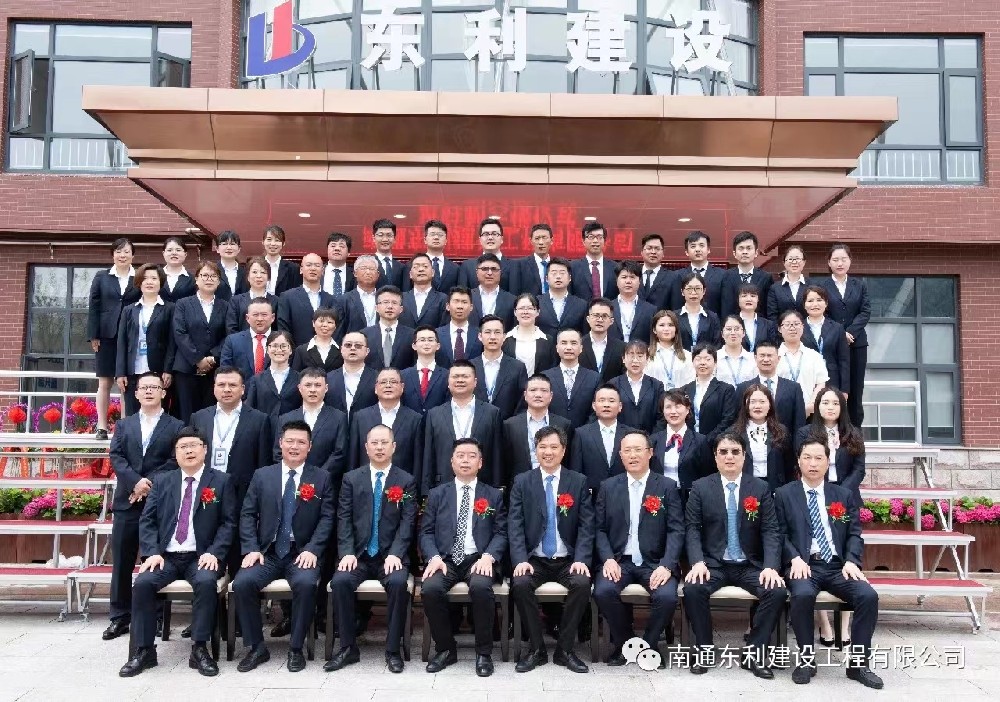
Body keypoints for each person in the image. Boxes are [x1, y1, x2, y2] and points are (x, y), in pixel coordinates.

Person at [118, 428, 236, 678]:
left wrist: (215, 553)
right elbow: (147, 521)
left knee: (205, 582)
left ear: (205, 449)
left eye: (194, 445)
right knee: (144, 583)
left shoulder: (221, 481)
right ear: (175, 452)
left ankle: (199, 648)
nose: (189, 451)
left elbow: (229, 523)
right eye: (183, 447)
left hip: (201, 556)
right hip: (167, 557)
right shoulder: (163, 481)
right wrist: (151, 552)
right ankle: (144, 650)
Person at [776, 437, 882, 690]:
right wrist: (794, 557)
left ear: (827, 462)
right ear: (799, 461)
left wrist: (852, 561)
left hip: (837, 566)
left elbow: (854, 533)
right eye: (807, 458)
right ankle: (806, 661)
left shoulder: (842, 495)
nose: (813, 464)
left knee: (868, 596)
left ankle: (858, 665)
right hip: (804, 564)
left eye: (818, 458)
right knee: (802, 595)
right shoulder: (784, 494)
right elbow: (778, 533)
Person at [232, 420, 335, 673]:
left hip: (301, 553)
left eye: (301, 442)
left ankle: (296, 648)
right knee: (243, 583)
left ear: (310, 446)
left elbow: (327, 518)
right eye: (290, 441)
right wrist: (251, 548)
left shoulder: (321, 478)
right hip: (267, 553)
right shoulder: (262, 475)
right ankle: (257, 647)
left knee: (307, 584)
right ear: (280, 443)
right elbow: (247, 514)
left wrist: (313, 549)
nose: (294, 446)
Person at [682, 431, 786, 679]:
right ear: (715, 457)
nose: (729, 456)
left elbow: (771, 530)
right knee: (693, 588)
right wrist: (697, 561)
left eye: (735, 452)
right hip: (714, 564)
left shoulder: (759, 488)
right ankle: (705, 649)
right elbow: (692, 529)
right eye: (723, 452)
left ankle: (754, 652)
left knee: (776, 590)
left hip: (749, 564)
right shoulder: (700, 487)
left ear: (744, 456)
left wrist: (771, 566)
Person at [327, 424, 418, 674]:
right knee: (340, 581)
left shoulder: (406, 480)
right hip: (358, 555)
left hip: (390, 556)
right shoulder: (351, 479)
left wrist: (396, 553)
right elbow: (343, 518)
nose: (379, 447)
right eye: (374, 443)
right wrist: (346, 552)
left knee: (398, 583)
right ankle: (348, 647)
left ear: (393, 447)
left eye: (384, 443)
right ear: (366, 447)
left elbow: (408, 522)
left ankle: (393, 650)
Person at [104, 373, 184, 641]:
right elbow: (117, 456)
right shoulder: (123, 425)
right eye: (144, 388)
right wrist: (135, 482)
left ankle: (157, 617)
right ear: (136, 394)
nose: (149, 391)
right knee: (122, 562)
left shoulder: (176, 426)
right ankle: (119, 617)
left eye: (154, 387)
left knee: (156, 560)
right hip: (127, 501)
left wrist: (148, 484)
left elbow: (175, 460)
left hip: (159, 502)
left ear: (163, 393)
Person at [509, 426, 594, 674]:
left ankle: (564, 650)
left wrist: (581, 558)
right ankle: (536, 649)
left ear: (563, 450)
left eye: (554, 447)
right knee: (520, 583)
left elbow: (586, 525)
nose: (548, 452)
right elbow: (515, 524)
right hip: (534, 559)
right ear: (535, 450)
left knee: (582, 583)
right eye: (543, 447)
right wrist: (520, 559)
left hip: (568, 559)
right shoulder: (522, 481)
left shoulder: (577, 481)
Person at [419, 438, 507, 677]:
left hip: (478, 558)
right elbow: (426, 532)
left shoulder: (493, 495)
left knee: (480, 587)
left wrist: (489, 556)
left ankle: (484, 653)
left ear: (481, 462)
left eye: (471, 456)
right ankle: (446, 649)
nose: (465, 460)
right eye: (460, 455)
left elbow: (502, 532)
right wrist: (433, 557)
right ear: (452, 461)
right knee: (430, 589)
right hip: (445, 559)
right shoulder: (437, 494)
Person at [593, 430, 682, 665]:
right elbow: (599, 529)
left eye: (638, 450)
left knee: (667, 597)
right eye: (627, 451)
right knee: (603, 591)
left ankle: (649, 646)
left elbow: (676, 530)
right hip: (619, 560)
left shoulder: (667, 486)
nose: (632, 455)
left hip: (655, 562)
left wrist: (667, 565)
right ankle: (626, 644)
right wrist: (607, 558)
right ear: (620, 455)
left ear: (650, 453)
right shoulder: (608, 487)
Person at [795, 387, 866, 648]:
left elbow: (859, 468)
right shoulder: (805, 433)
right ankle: (824, 623)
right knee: (814, 554)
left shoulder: (853, 433)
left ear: (841, 407)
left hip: (843, 496)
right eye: (825, 402)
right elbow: (801, 465)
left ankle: (844, 627)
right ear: (817, 406)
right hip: (812, 492)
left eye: (835, 403)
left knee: (844, 554)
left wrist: (839, 493)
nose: (830, 407)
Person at [189, 367, 273, 573]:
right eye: (221, 385)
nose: (227, 389)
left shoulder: (259, 420)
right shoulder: (199, 417)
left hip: (243, 495)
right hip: (206, 493)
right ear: (214, 388)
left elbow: (263, 464)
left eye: (232, 385)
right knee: (207, 562)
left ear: (243, 389)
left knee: (239, 560)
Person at [421, 361, 503, 495]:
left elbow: (497, 454)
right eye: (455, 376)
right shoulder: (434, 414)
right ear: (448, 382)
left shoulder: (492, 413)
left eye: (465, 376)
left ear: (475, 382)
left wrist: (497, 489)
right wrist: (426, 492)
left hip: (482, 486)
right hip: (442, 486)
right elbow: (428, 455)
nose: (460, 380)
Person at [89, 237, 138, 437]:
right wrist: (93, 335)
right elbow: (94, 306)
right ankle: (101, 426)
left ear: (133, 255)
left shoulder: (139, 276)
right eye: (118, 251)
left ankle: (123, 427)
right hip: (106, 335)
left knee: (126, 383)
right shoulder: (102, 277)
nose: (122, 255)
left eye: (126, 251)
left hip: (131, 336)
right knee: (105, 382)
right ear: (112, 255)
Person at [817, 243, 871, 427]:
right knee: (832, 388)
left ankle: (854, 433)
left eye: (843, 259)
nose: (840, 263)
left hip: (856, 344)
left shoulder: (860, 285)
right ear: (829, 262)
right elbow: (821, 312)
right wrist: (839, 334)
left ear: (850, 261)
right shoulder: (822, 286)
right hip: (831, 344)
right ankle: (831, 429)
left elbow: (865, 311)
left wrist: (850, 332)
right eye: (835, 260)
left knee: (855, 390)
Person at [172, 261, 228, 422]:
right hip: (186, 368)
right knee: (186, 415)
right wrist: (197, 359)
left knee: (210, 416)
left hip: (214, 369)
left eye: (213, 276)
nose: (209, 279)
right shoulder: (183, 304)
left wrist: (212, 357)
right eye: (204, 275)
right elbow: (180, 333)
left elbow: (228, 334)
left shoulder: (225, 306)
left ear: (218, 281)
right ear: (196, 279)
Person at [274, 367, 349, 489]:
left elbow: (339, 453)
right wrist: (294, 474)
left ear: (326, 388)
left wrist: (318, 477)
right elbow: (278, 452)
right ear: (300, 388)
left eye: (318, 385)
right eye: (308, 385)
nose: (312, 389)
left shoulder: (339, 417)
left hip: (325, 484)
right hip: (290, 482)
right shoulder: (286, 418)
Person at [116, 264, 174, 417]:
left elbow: (172, 342)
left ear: (160, 282)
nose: (149, 282)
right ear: (139, 283)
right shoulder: (129, 310)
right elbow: (122, 342)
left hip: (159, 371)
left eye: (154, 278)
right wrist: (120, 372)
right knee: (132, 416)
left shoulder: (170, 308)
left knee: (159, 415)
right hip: (133, 371)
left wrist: (168, 369)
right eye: (145, 278)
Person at [348, 367, 423, 477]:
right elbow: (353, 458)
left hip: (402, 483)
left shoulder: (415, 419)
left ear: (402, 387)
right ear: (375, 388)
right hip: (365, 482)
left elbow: (418, 461)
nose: (388, 385)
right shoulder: (360, 417)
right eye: (383, 382)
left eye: (393, 382)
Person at [503, 374, 573, 479]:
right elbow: (505, 460)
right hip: (519, 484)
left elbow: (568, 460)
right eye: (533, 390)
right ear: (525, 395)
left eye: (544, 390)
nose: (538, 395)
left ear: (551, 396)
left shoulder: (564, 425)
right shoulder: (510, 425)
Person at [569, 385, 634, 493]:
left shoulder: (631, 434)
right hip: (592, 496)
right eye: (601, 400)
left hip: (624, 494)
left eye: (611, 401)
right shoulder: (581, 434)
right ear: (594, 406)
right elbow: (576, 470)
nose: (606, 405)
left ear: (620, 406)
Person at [728, 385, 792, 492]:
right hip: (744, 486)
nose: (757, 406)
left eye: (762, 402)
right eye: (752, 402)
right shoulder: (733, 432)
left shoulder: (781, 431)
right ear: (745, 405)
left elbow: (789, 464)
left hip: (775, 487)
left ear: (770, 405)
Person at [736, 340, 807, 437]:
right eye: (762, 355)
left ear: (778, 358)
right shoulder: (743, 388)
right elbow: (739, 420)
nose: (766, 359)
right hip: (752, 441)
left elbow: (799, 423)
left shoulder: (794, 388)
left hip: (785, 442)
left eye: (769, 355)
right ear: (755, 358)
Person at [650, 390, 712, 496]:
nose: (673, 411)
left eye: (678, 406)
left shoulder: (700, 440)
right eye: (668, 407)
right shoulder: (653, 440)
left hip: (690, 498)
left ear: (687, 409)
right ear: (663, 411)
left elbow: (707, 475)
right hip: (660, 497)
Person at [544, 329, 601, 429]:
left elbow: (596, 409)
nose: (569, 347)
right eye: (564, 343)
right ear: (557, 348)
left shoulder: (594, 378)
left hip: (585, 433)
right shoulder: (545, 377)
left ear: (581, 348)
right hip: (552, 433)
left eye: (574, 343)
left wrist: (584, 432)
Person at [275, 253, 336, 348]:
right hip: (296, 352)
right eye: (308, 265)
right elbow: (283, 330)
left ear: (323, 271)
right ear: (301, 270)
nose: (313, 268)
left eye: (317, 265)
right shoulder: (287, 297)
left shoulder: (331, 299)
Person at [475, 315, 528, 421]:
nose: (492, 337)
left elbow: (523, 402)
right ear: (480, 336)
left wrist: (512, 425)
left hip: (508, 426)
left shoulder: (518, 367)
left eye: (497, 332)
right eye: (488, 332)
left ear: (504, 336)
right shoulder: (471, 367)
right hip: (477, 426)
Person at [777, 310, 830, 416]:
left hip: (809, 410)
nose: (792, 328)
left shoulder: (814, 356)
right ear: (779, 329)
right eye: (787, 324)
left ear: (803, 326)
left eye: (796, 324)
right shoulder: (774, 356)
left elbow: (821, 383)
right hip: (779, 411)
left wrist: (811, 405)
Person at [682, 343, 737, 444]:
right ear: (693, 362)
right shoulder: (684, 390)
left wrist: (707, 440)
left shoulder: (726, 389)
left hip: (715, 443)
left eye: (707, 359)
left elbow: (728, 419)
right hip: (688, 443)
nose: (702, 363)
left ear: (715, 363)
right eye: (698, 359)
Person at [802, 286, 850, 394]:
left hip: (832, 381)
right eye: (810, 301)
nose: (815, 304)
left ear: (826, 303)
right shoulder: (798, 327)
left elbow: (844, 361)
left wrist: (844, 390)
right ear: (804, 305)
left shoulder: (837, 328)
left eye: (819, 300)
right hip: (806, 381)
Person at [610, 341, 665, 433]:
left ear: (647, 359)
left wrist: (653, 438)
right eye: (631, 355)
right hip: (620, 437)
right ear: (623, 359)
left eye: (640, 356)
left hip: (650, 437)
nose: (635, 360)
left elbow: (662, 416)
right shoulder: (613, 384)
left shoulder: (656, 385)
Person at [245, 330, 302, 418]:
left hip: (291, 425)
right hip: (264, 426)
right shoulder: (257, 380)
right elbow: (250, 409)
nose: (279, 350)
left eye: (284, 346)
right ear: (267, 349)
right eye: (274, 346)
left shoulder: (300, 379)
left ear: (290, 350)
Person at [324, 332, 378, 420]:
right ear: (341, 349)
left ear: (367, 351)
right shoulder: (328, 378)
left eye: (358, 345)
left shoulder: (377, 378)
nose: (353, 348)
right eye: (348, 345)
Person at [720, 231, 773, 320]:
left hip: (758, 325)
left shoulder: (766, 278)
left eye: (749, 248)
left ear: (756, 252)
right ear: (734, 253)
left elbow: (768, 308)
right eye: (741, 248)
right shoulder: (725, 277)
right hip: (731, 326)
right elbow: (723, 307)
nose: (745, 252)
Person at [220, 297, 274, 382]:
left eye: (264, 315)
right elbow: (225, 372)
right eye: (255, 315)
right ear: (247, 318)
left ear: (272, 317)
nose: (260, 319)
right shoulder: (233, 341)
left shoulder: (281, 341)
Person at [669, 231, 724, 315]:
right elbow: (675, 305)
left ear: (708, 250)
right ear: (686, 252)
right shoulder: (677, 276)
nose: (697, 250)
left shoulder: (722, 275)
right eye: (693, 246)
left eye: (701, 245)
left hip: (714, 322)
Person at [361, 285, 414, 371]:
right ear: (376, 308)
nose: (390, 306)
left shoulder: (411, 335)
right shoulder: (364, 335)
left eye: (394, 303)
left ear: (401, 309)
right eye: (385, 302)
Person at [502, 293, 556, 377]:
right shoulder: (505, 340)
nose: (525, 312)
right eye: (521, 308)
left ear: (538, 312)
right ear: (515, 312)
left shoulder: (548, 340)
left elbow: (552, 368)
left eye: (530, 308)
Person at [400, 326, 449, 416]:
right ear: (414, 346)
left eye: (430, 340)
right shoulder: (402, 375)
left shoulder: (447, 375)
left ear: (438, 346)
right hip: (410, 422)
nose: (426, 343)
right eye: (422, 340)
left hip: (437, 422)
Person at [537, 256, 588, 337]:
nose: (558, 276)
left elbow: (585, 334)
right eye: (554, 273)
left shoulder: (582, 305)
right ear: (546, 278)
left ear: (569, 278)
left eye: (562, 273)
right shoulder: (536, 302)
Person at [459, 218, 513, 291]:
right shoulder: (467, 266)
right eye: (486, 234)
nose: (490, 237)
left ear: (502, 239)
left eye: (495, 234)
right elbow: (462, 295)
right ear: (480, 240)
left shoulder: (513, 267)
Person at [226, 256, 276, 334]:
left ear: (268, 278)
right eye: (254, 272)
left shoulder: (277, 301)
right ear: (248, 277)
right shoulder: (236, 301)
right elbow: (231, 328)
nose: (259, 276)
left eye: (263, 272)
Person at [645, 310, 695, 390]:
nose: (666, 329)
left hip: (681, 397)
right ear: (654, 330)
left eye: (670, 325)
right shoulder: (645, 355)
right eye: (662, 325)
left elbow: (691, 383)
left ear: (676, 329)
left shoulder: (687, 356)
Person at [579, 298, 625, 383]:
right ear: (588, 319)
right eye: (596, 315)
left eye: (604, 316)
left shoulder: (622, 347)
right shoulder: (578, 345)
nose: (600, 320)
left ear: (611, 321)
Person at [610, 260, 656, 345]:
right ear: (617, 281)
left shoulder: (651, 310)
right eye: (624, 277)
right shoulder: (607, 308)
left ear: (639, 281)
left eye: (632, 277)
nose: (628, 281)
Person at [407, 219, 459, 293]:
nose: (436, 237)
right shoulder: (412, 265)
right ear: (425, 240)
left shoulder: (455, 268)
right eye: (432, 234)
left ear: (446, 240)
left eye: (440, 235)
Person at [570, 221, 618, 299]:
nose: (595, 241)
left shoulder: (615, 267)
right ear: (583, 241)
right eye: (591, 237)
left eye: (599, 237)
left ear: (605, 241)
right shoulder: (573, 267)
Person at [398, 253, 448, 329]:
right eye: (416, 267)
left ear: (433, 272)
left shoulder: (443, 299)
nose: (421, 269)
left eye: (425, 266)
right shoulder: (401, 298)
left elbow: (444, 327)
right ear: (410, 274)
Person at [675, 271, 722, 351]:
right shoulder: (674, 316)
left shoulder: (713, 317)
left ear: (704, 291)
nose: (693, 293)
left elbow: (716, 345)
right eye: (689, 289)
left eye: (697, 288)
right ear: (682, 292)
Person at [436, 286, 482, 366]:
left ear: (471, 307)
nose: (460, 306)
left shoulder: (480, 335)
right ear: (448, 306)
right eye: (456, 302)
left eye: (464, 302)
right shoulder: (436, 334)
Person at [337, 255, 380, 338]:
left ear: (378, 274)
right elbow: (339, 331)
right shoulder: (344, 300)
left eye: (372, 269)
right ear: (355, 273)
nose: (368, 272)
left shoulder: (384, 299)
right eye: (363, 268)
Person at [469, 253, 515, 329]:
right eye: (485, 269)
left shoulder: (512, 300)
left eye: (494, 269)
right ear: (477, 273)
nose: (489, 273)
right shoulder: (467, 297)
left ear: (500, 273)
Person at [291, 307, 343, 374]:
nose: (325, 325)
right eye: (321, 321)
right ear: (313, 323)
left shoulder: (342, 350)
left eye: (329, 322)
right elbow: (295, 375)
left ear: (335, 326)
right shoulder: (301, 351)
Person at [766, 244, 808, 321]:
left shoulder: (812, 286)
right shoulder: (775, 288)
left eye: (798, 259)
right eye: (790, 259)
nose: (794, 262)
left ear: (804, 262)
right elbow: (772, 316)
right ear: (784, 263)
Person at [510, 222, 554, 297]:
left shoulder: (559, 264)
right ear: (531, 241)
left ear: (551, 240)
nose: (541, 242)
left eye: (544, 238)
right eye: (537, 238)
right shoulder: (519, 265)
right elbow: (514, 294)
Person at [716, 315, 757, 387]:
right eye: (729, 329)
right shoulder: (714, 358)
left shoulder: (753, 359)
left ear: (743, 333)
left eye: (737, 329)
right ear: (722, 334)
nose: (733, 333)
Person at [262, 224, 302, 296]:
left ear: (283, 244)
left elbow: (296, 294)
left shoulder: (293, 268)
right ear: (263, 242)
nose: (273, 244)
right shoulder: (254, 266)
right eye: (269, 239)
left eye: (277, 240)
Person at [737, 284, 778, 352]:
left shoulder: (768, 325)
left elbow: (773, 348)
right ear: (738, 299)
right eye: (744, 296)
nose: (749, 299)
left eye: (753, 296)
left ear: (758, 299)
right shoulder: (731, 323)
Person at [638, 233, 673, 311]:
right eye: (649, 248)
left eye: (657, 248)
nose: (653, 252)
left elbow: (675, 308)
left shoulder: (672, 277)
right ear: (642, 252)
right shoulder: (633, 274)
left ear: (663, 253)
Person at [371, 218, 406, 289]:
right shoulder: (367, 264)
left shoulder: (402, 267)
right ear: (374, 238)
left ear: (394, 239)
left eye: (389, 235)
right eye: (380, 235)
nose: (385, 239)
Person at [159, 236, 196, 303]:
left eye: (178, 250)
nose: (174, 253)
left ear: (185, 254)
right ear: (163, 253)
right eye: (169, 250)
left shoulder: (193, 280)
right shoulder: (156, 276)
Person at [214, 230, 247, 302]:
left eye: (232, 244)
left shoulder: (246, 272)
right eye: (224, 244)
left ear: (239, 249)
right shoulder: (212, 271)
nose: (229, 247)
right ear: (217, 249)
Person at [321, 231, 356, 297]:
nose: (337, 249)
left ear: (348, 253)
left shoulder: (355, 274)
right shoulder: (318, 271)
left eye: (341, 246)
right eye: (333, 246)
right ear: (327, 249)